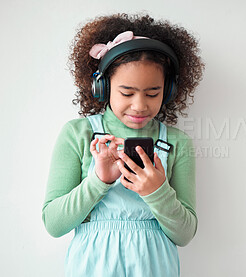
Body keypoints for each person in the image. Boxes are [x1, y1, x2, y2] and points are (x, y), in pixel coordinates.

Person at [42, 13, 204, 276]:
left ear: (170, 89)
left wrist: (157, 191)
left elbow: (184, 234)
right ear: (101, 87)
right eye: (127, 93)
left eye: (153, 93)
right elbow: (54, 224)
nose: (140, 105)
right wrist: (98, 181)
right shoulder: (77, 134)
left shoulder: (177, 142)